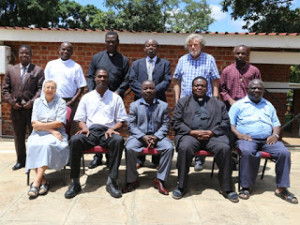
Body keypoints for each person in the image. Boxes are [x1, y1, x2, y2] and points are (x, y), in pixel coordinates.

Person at [229, 79, 298, 204]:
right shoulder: (238, 105)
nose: (256, 90)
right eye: (253, 88)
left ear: (263, 91)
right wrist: (239, 135)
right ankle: (246, 187)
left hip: (267, 140)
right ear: (247, 90)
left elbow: (276, 123)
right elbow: (230, 124)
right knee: (248, 151)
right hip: (247, 139)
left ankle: (282, 188)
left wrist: (275, 134)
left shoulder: (268, 105)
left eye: (259, 88)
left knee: (284, 153)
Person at [171, 76, 238, 202]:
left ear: (207, 88)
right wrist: (191, 131)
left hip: (212, 137)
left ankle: (226, 187)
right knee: (185, 147)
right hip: (190, 136)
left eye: (202, 86)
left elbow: (225, 123)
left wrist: (212, 132)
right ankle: (181, 186)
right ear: (192, 87)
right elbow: (175, 122)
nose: (199, 88)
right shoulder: (183, 102)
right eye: (196, 85)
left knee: (224, 148)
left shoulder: (218, 104)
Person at [64, 68, 127, 199]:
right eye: (100, 76)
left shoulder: (116, 98)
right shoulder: (87, 97)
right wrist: (84, 127)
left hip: (107, 132)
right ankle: (75, 182)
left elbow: (122, 120)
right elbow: (80, 118)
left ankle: (112, 182)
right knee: (74, 141)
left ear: (108, 79)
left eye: (105, 77)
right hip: (90, 132)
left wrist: (113, 128)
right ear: (95, 78)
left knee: (118, 141)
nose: (102, 79)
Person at [173, 34, 220, 171]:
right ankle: (184, 159)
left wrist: (215, 99)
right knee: (185, 129)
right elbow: (176, 80)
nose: (193, 47)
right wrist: (177, 100)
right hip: (186, 102)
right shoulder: (182, 60)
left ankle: (200, 160)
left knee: (203, 127)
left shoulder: (209, 59)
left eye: (196, 44)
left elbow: (215, 80)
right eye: (190, 45)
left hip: (205, 101)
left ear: (201, 45)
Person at [87, 31, 130, 168]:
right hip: (97, 98)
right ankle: (97, 157)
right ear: (105, 42)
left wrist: (118, 92)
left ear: (118, 42)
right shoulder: (97, 58)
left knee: (111, 126)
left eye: (113, 41)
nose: (111, 43)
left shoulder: (123, 60)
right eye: (108, 41)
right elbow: (89, 76)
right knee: (97, 125)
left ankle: (110, 157)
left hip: (114, 99)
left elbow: (127, 79)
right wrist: (91, 93)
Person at [123, 80, 174, 195]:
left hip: (158, 136)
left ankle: (160, 179)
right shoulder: (134, 105)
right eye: (145, 88)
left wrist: (156, 137)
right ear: (141, 91)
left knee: (169, 148)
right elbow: (131, 124)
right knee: (129, 147)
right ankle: (132, 180)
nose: (148, 90)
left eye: (151, 88)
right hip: (139, 137)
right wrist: (143, 137)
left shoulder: (163, 105)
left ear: (155, 90)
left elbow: (166, 124)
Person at [129, 39, 171, 168]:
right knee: (141, 126)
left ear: (157, 48)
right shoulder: (136, 64)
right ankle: (140, 160)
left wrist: (153, 92)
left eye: (153, 45)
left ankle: (156, 160)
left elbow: (167, 80)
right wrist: (144, 93)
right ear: (144, 49)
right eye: (148, 45)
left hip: (158, 100)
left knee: (157, 126)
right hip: (140, 100)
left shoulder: (164, 64)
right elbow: (132, 80)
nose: (150, 47)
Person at [2, 44, 44, 171]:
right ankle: (21, 160)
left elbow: (41, 89)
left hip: (32, 109)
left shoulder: (38, 70)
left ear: (31, 55)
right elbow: (5, 89)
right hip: (16, 109)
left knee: (33, 135)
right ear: (19, 55)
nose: (24, 55)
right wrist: (11, 102)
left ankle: (34, 161)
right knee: (18, 135)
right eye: (22, 53)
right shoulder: (11, 70)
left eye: (27, 53)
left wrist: (32, 102)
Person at [25, 80, 69, 199]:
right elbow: (34, 124)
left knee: (46, 145)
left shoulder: (61, 102)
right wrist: (50, 129)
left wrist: (45, 127)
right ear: (43, 89)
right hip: (39, 133)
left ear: (55, 90)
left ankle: (37, 182)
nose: (49, 90)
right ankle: (43, 181)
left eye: (52, 88)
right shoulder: (37, 102)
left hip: (58, 134)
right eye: (47, 87)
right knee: (32, 145)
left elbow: (59, 123)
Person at [44, 41, 87, 134]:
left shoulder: (76, 67)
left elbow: (81, 87)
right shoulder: (51, 65)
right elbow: (46, 84)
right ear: (59, 51)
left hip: (71, 101)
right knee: (54, 126)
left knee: (71, 128)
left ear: (72, 52)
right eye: (63, 49)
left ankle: (70, 148)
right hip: (54, 101)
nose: (66, 51)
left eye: (69, 50)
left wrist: (71, 102)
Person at [220, 45, 261, 110]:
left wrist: (251, 100)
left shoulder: (254, 71)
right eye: (238, 53)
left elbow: (258, 89)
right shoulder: (227, 71)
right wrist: (230, 100)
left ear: (247, 55)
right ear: (234, 55)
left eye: (243, 53)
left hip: (250, 106)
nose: (240, 55)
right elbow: (222, 89)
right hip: (231, 106)